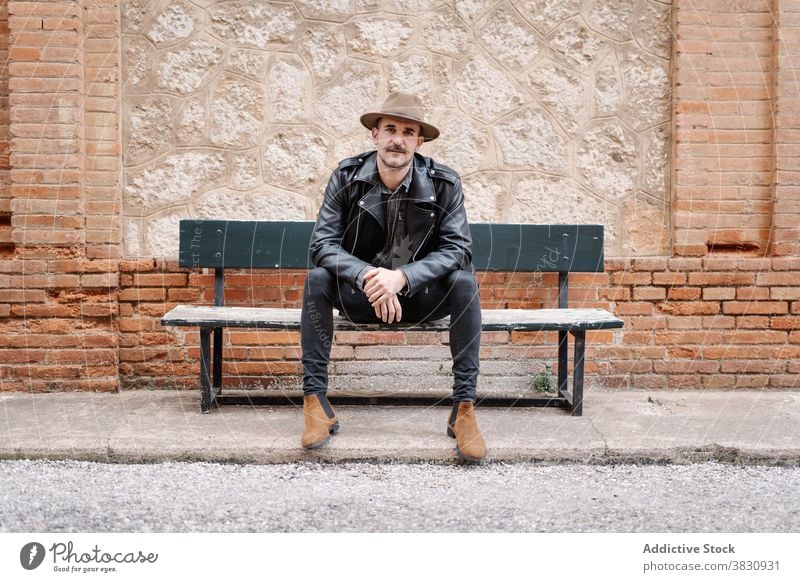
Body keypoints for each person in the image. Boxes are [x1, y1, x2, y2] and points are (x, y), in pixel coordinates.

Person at [300, 92, 486, 462]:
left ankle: (464, 408)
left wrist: (402, 278)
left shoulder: (444, 183)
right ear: (375, 136)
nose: (397, 139)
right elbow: (322, 244)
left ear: (420, 141)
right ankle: (315, 402)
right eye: (389, 129)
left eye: (407, 131)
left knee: (465, 281)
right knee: (317, 279)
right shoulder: (348, 176)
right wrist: (370, 276)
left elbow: (458, 250)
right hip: (361, 296)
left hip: (420, 298)